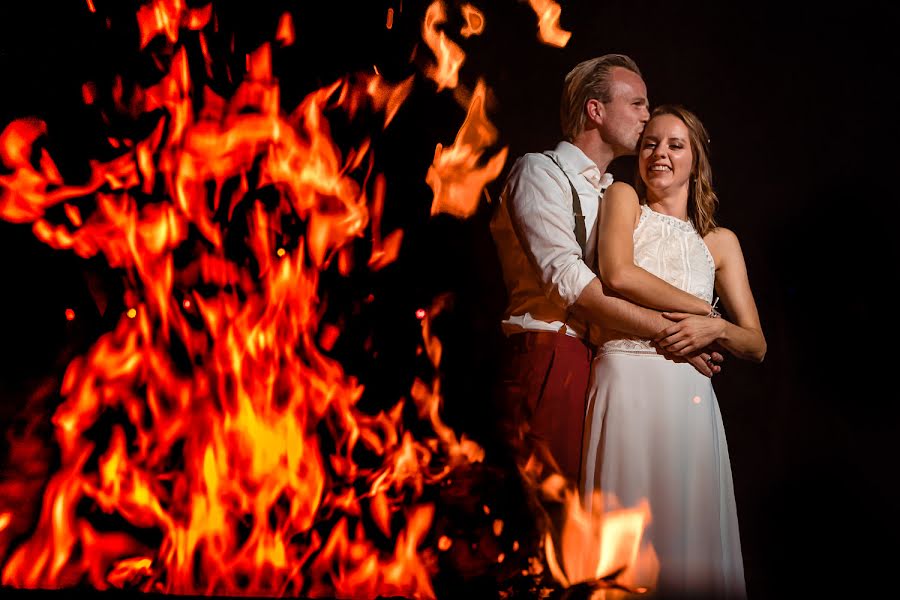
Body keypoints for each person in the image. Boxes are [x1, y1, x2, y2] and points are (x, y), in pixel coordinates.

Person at [489, 54, 723, 487]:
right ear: (595, 111)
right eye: (636, 103)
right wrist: (681, 336)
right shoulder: (540, 172)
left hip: (598, 364)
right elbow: (573, 285)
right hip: (549, 351)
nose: (647, 115)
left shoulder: (615, 194)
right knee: (550, 519)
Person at [581, 104, 767, 598]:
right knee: (624, 540)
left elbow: (755, 343)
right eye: (650, 143)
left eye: (674, 144)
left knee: (687, 543)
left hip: (689, 402)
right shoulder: (623, 198)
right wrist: (705, 313)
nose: (659, 152)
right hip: (627, 385)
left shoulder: (719, 242)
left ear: (696, 161)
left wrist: (716, 330)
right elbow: (618, 273)